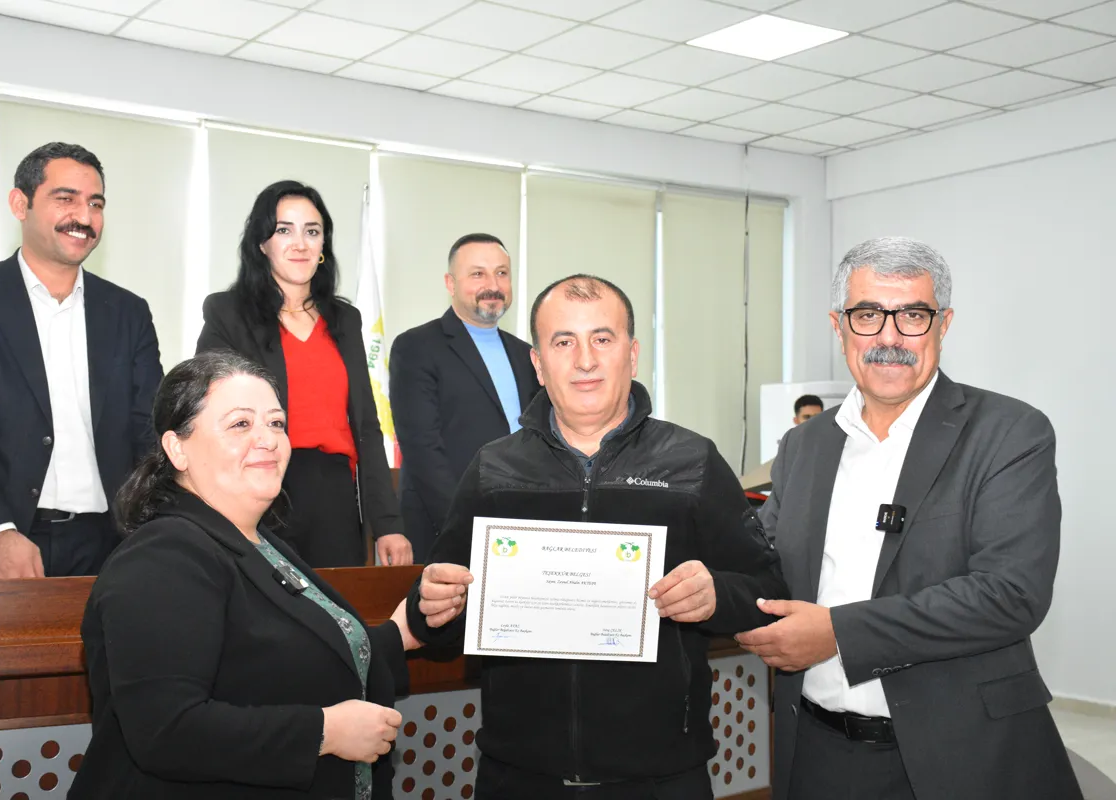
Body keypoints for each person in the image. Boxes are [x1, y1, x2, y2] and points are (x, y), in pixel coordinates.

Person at [406, 274, 788, 799]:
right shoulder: (493, 469)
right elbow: (439, 608)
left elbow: (769, 593)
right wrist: (434, 602)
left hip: (661, 778)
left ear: (632, 355)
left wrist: (715, 595)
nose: (585, 360)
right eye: (564, 342)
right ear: (538, 364)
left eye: (602, 339)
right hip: (519, 775)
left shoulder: (692, 462)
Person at [737, 237, 1082, 800]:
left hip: (963, 757)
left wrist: (837, 634)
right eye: (868, 315)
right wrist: (710, 585)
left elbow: (1011, 595)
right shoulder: (803, 445)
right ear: (839, 326)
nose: (889, 338)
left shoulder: (1009, 433)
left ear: (943, 324)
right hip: (816, 752)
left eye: (913, 316)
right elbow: (765, 565)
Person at [70, 351, 419, 800]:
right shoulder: (162, 556)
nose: (268, 439)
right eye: (240, 424)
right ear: (177, 448)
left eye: (276, 423)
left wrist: (408, 628)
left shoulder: (260, 543)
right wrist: (324, 732)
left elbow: (276, 660)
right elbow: (166, 730)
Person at [0, 142, 162, 580]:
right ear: (20, 204)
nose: (84, 217)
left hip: (106, 548)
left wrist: (156, 531)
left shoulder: (128, 312)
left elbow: (148, 431)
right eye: (66, 198)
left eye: (96, 203)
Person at [196, 180, 411, 568]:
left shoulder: (345, 320)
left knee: (336, 605)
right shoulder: (228, 313)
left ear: (323, 244)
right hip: (257, 487)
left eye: (312, 231)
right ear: (262, 243)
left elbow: (366, 425)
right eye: (284, 230)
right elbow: (206, 414)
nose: (300, 244)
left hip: (334, 497)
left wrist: (387, 523)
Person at [390, 233, 538, 562]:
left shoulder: (527, 355)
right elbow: (422, 449)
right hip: (447, 529)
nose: (493, 285)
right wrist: (464, 528)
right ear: (450, 283)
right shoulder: (417, 347)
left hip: (518, 530)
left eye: (501, 273)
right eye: (477, 274)